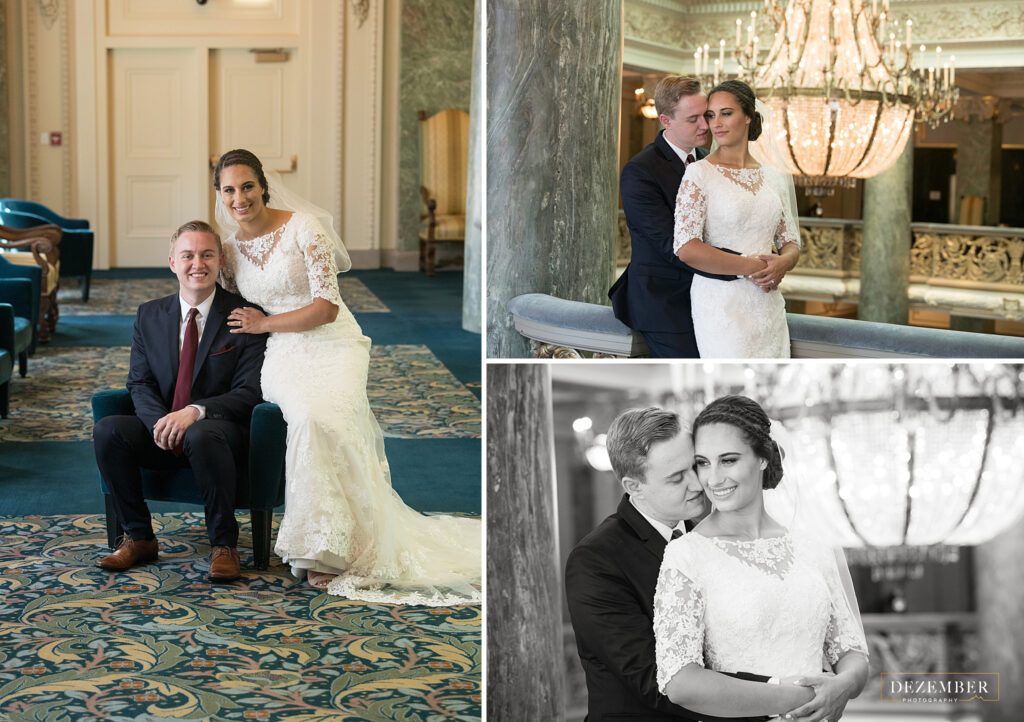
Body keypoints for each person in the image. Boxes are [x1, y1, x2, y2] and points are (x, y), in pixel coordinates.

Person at [212, 149, 480, 605]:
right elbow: (230, 307)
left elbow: (326, 307)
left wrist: (264, 324)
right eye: (229, 190)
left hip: (334, 342)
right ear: (219, 195)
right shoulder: (229, 250)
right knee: (310, 421)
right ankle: (324, 545)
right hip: (282, 354)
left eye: (248, 186)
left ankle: (330, 550)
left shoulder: (304, 228)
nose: (240, 198)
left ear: (263, 186)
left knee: (328, 419)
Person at [565, 406, 809, 721]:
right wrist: (781, 691)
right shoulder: (596, 560)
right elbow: (657, 682)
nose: (698, 484)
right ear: (633, 486)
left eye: (695, 466)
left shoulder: (712, 534)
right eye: (677, 478)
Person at [654, 395, 869, 721]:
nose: (713, 479)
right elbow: (680, 683)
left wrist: (845, 685)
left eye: (728, 460)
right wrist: (805, 697)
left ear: (762, 459)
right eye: (703, 462)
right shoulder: (686, 555)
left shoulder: (812, 548)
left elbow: (851, 652)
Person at [93, 220, 268, 582]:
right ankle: (138, 537)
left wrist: (194, 413)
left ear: (220, 261)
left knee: (200, 434)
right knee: (109, 429)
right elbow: (139, 382)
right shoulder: (150, 314)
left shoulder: (244, 315)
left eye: (206, 255)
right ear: (173, 262)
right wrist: (161, 422)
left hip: (220, 432)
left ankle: (224, 544)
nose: (197, 264)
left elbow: (249, 393)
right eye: (187, 256)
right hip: (163, 428)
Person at [610, 76, 754, 359]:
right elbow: (673, 246)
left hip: (715, 294)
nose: (706, 126)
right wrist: (746, 268)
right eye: (694, 119)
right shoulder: (640, 172)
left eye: (707, 115)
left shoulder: (707, 159)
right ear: (666, 120)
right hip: (664, 303)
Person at [673, 80, 801, 358]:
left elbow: (790, 240)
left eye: (726, 113)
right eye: (711, 115)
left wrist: (784, 262)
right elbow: (686, 248)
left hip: (767, 303)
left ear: (748, 117)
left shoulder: (773, 177)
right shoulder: (698, 174)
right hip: (721, 304)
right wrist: (752, 267)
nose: (715, 123)